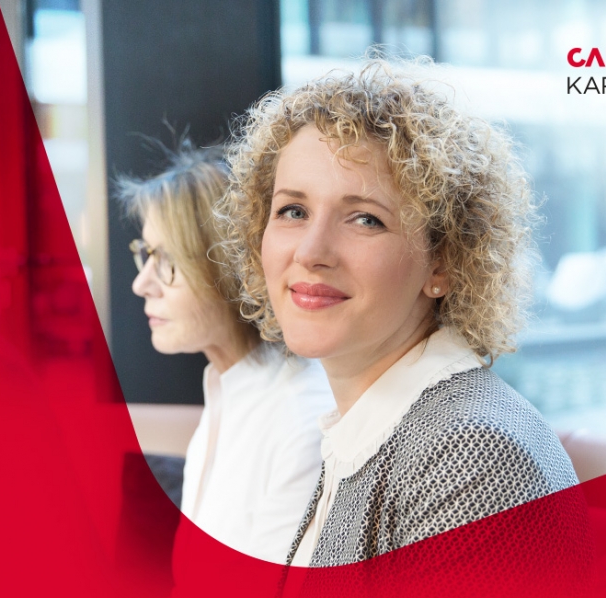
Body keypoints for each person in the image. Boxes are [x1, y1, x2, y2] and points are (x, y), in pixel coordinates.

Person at [217, 61, 584, 570]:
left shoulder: (466, 455)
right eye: (293, 211)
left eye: (365, 219)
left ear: (443, 261)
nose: (311, 251)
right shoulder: (370, 431)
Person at [119, 143, 335, 564]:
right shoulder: (226, 388)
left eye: (166, 259)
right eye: (145, 254)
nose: (141, 284)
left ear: (226, 266)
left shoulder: (301, 418)